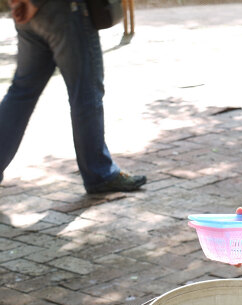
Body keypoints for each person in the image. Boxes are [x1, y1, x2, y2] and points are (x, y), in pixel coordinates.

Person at [0, 0, 146, 194]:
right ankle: (100, 174)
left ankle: (99, 172)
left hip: (27, 12)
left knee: (21, 92)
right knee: (86, 93)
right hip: (64, 11)